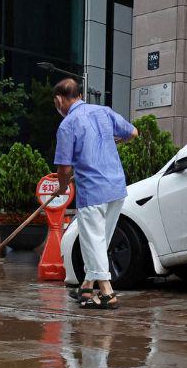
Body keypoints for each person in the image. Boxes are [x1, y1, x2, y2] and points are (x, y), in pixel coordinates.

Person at [52, 78, 138, 310]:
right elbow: (133, 132)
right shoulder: (103, 112)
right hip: (116, 187)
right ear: (79, 95)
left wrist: (62, 187)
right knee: (99, 241)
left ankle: (107, 293)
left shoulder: (68, 124)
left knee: (94, 240)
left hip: (93, 190)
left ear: (60, 100)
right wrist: (119, 139)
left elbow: (64, 168)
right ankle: (87, 288)